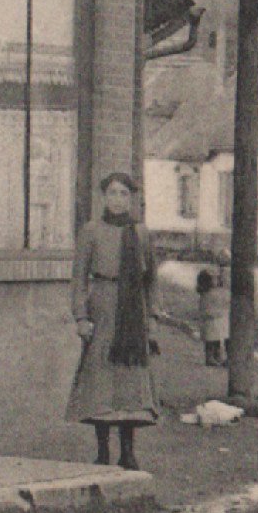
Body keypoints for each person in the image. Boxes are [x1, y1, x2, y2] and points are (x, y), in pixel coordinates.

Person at [66, 172, 158, 469]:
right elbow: (79, 278)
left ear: (131, 200)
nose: (118, 200)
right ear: (103, 198)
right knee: (100, 380)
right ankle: (103, 450)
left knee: (130, 380)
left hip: (132, 309)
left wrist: (151, 317)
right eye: (113, 193)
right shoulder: (91, 231)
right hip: (102, 306)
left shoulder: (141, 233)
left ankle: (128, 452)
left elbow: (151, 280)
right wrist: (81, 316)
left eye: (124, 194)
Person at [196, 266, 229, 366]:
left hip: (209, 320)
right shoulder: (212, 293)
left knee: (212, 342)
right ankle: (212, 358)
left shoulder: (204, 293)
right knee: (214, 341)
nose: (217, 280)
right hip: (213, 319)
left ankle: (213, 357)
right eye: (215, 279)